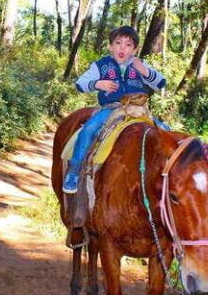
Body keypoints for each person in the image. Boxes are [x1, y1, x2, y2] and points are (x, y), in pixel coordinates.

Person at [63, 26, 166, 194]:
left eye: (128, 45)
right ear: (111, 46)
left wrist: (145, 71)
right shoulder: (101, 65)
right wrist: (97, 84)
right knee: (89, 129)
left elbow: (161, 83)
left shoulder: (139, 65)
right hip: (112, 108)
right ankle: (74, 170)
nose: (122, 48)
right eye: (118, 43)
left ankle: (165, 176)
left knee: (165, 131)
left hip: (139, 109)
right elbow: (80, 84)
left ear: (135, 49)